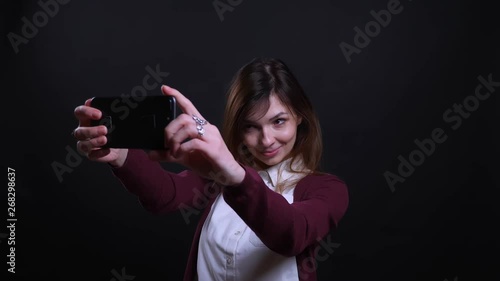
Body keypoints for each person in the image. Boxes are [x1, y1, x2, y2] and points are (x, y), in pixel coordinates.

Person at [73, 57, 349, 281]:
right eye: (250, 127)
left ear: (299, 117)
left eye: (278, 121)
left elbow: (293, 234)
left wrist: (234, 175)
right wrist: (120, 154)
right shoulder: (219, 177)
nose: (266, 141)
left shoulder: (327, 189)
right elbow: (165, 195)